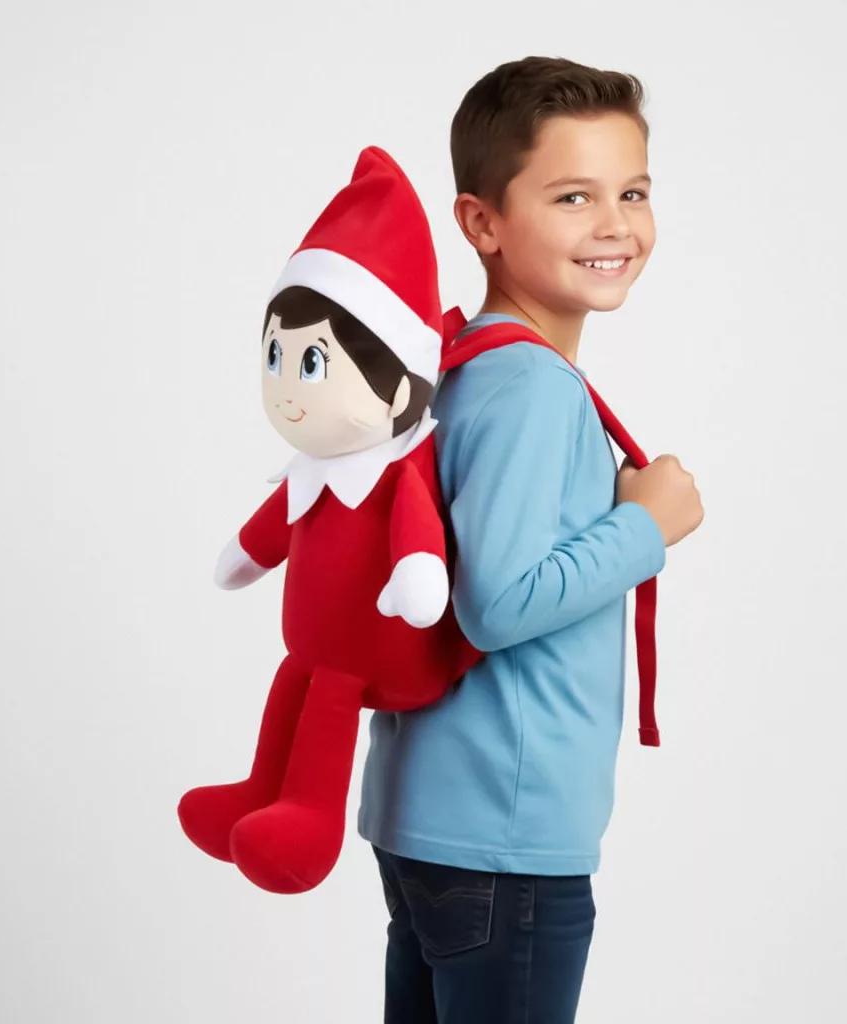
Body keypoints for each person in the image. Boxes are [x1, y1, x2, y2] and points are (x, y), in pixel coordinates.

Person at [358, 55, 704, 1023]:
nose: (615, 224)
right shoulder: (534, 387)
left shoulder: (464, 363)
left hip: (435, 818)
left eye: (632, 192)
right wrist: (648, 524)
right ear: (482, 223)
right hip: (503, 841)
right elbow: (497, 601)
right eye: (572, 196)